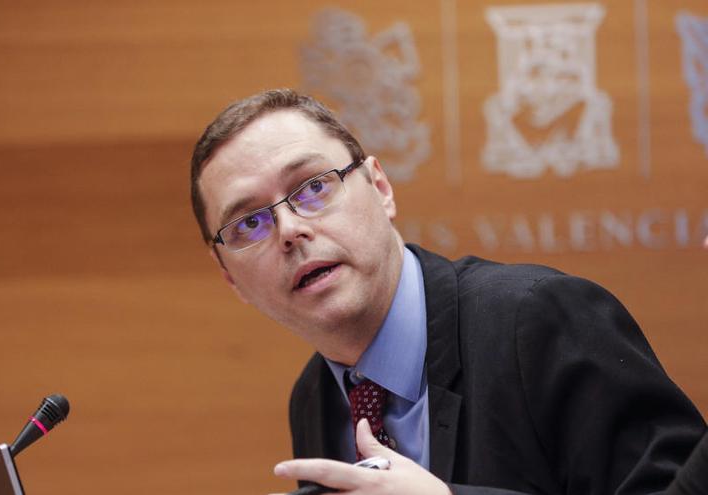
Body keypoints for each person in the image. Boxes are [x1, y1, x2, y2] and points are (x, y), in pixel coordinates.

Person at [189, 88, 706, 495]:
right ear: (231, 279)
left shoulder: (540, 320)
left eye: (313, 187)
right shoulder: (316, 396)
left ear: (381, 188)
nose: (288, 230)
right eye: (248, 223)